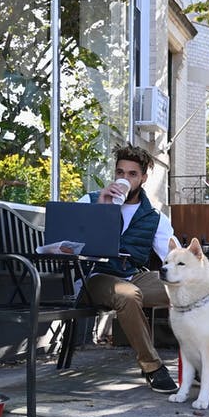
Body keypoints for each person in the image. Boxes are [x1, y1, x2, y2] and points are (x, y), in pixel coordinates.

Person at [79, 143, 178, 394]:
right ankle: (152, 366)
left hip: (132, 275)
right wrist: (102, 209)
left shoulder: (154, 216)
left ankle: (196, 363)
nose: (124, 179)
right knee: (128, 295)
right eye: (120, 173)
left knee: (185, 289)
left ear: (143, 178)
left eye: (132, 174)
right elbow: (72, 245)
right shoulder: (90, 201)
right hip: (96, 277)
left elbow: (173, 256)